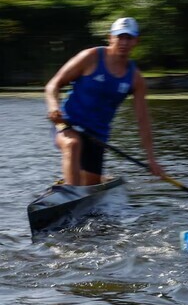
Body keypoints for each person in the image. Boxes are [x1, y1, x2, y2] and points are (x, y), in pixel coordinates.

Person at [45, 17, 164, 186]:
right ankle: (70, 193)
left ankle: (87, 182)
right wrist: (53, 107)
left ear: (135, 41)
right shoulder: (90, 57)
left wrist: (151, 159)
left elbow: (143, 120)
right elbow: (52, 85)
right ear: (110, 38)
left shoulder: (135, 78)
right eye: (119, 36)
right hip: (68, 123)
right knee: (73, 144)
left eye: (129, 38)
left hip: (97, 135)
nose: (123, 42)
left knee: (91, 184)